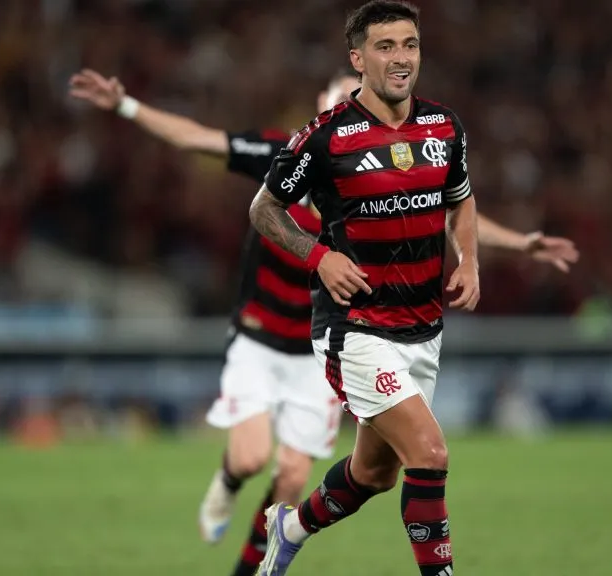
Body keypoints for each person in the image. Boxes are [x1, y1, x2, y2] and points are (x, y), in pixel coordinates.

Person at [69, 54, 577, 576]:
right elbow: (198, 139)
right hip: (283, 334)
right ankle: (229, 484)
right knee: (265, 458)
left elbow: (450, 206)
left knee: (358, 475)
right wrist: (127, 105)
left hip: (347, 343)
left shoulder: (387, 160)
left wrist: (517, 245)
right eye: (337, 100)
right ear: (322, 109)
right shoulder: (285, 155)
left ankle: (279, 539)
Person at [248, 1, 492, 574]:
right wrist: (320, 255)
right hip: (354, 328)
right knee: (429, 455)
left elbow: (461, 197)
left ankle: (290, 527)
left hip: (423, 327)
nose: (401, 58)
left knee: (375, 474)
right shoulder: (327, 137)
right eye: (385, 47)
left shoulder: (444, 127)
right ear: (358, 59)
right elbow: (264, 208)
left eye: (409, 45)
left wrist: (472, 259)